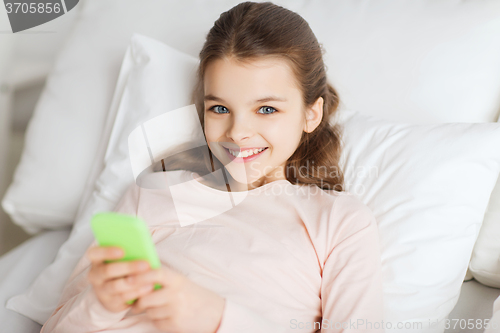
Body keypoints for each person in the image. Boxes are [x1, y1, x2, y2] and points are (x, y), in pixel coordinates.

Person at [40, 1, 385, 332]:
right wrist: (100, 305)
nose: (237, 133)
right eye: (220, 109)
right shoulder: (156, 193)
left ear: (312, 114)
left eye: (266, 109)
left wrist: (216, 317)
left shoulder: (338, 221)